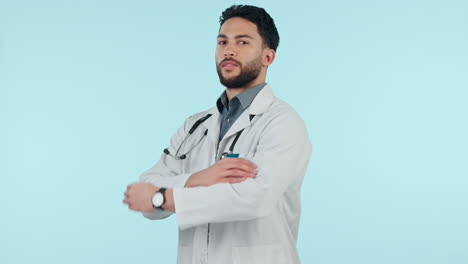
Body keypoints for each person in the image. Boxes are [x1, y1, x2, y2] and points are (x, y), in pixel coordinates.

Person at [123, 5, 312, 264]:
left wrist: (162, 197)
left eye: (242, 42)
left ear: (268, 57)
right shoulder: (195, 125)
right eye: (222, 42)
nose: (229, 50)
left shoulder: (282, 122)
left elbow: (254, 199)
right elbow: (144, 192)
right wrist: (198, 178)